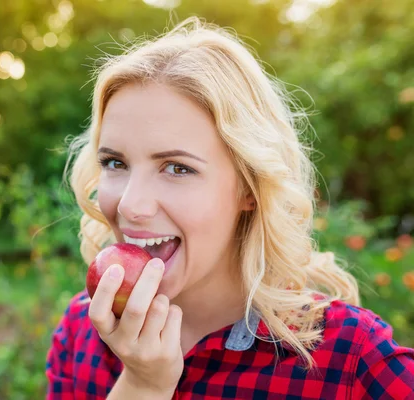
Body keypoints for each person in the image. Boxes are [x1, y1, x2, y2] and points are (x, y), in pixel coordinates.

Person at [45, 16, 414, 399]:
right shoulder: (81, 331)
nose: (131, 205)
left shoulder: (351, 361)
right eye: (115, 163)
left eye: (177, 168)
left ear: (249, 189)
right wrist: (141, 386)